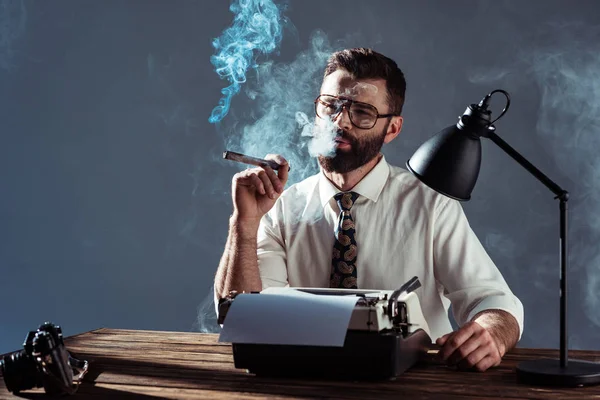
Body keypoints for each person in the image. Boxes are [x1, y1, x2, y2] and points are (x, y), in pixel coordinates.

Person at [214, 48, 523, 372]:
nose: (340, 121)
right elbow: (242, 318)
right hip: (302, 380)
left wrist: (492, 333)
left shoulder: (431, 206)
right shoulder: (282, 209)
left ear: (392, 128)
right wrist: (244, 225)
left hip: (410, 385)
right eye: (330, 106)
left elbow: (494, 302)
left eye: (362, 112)